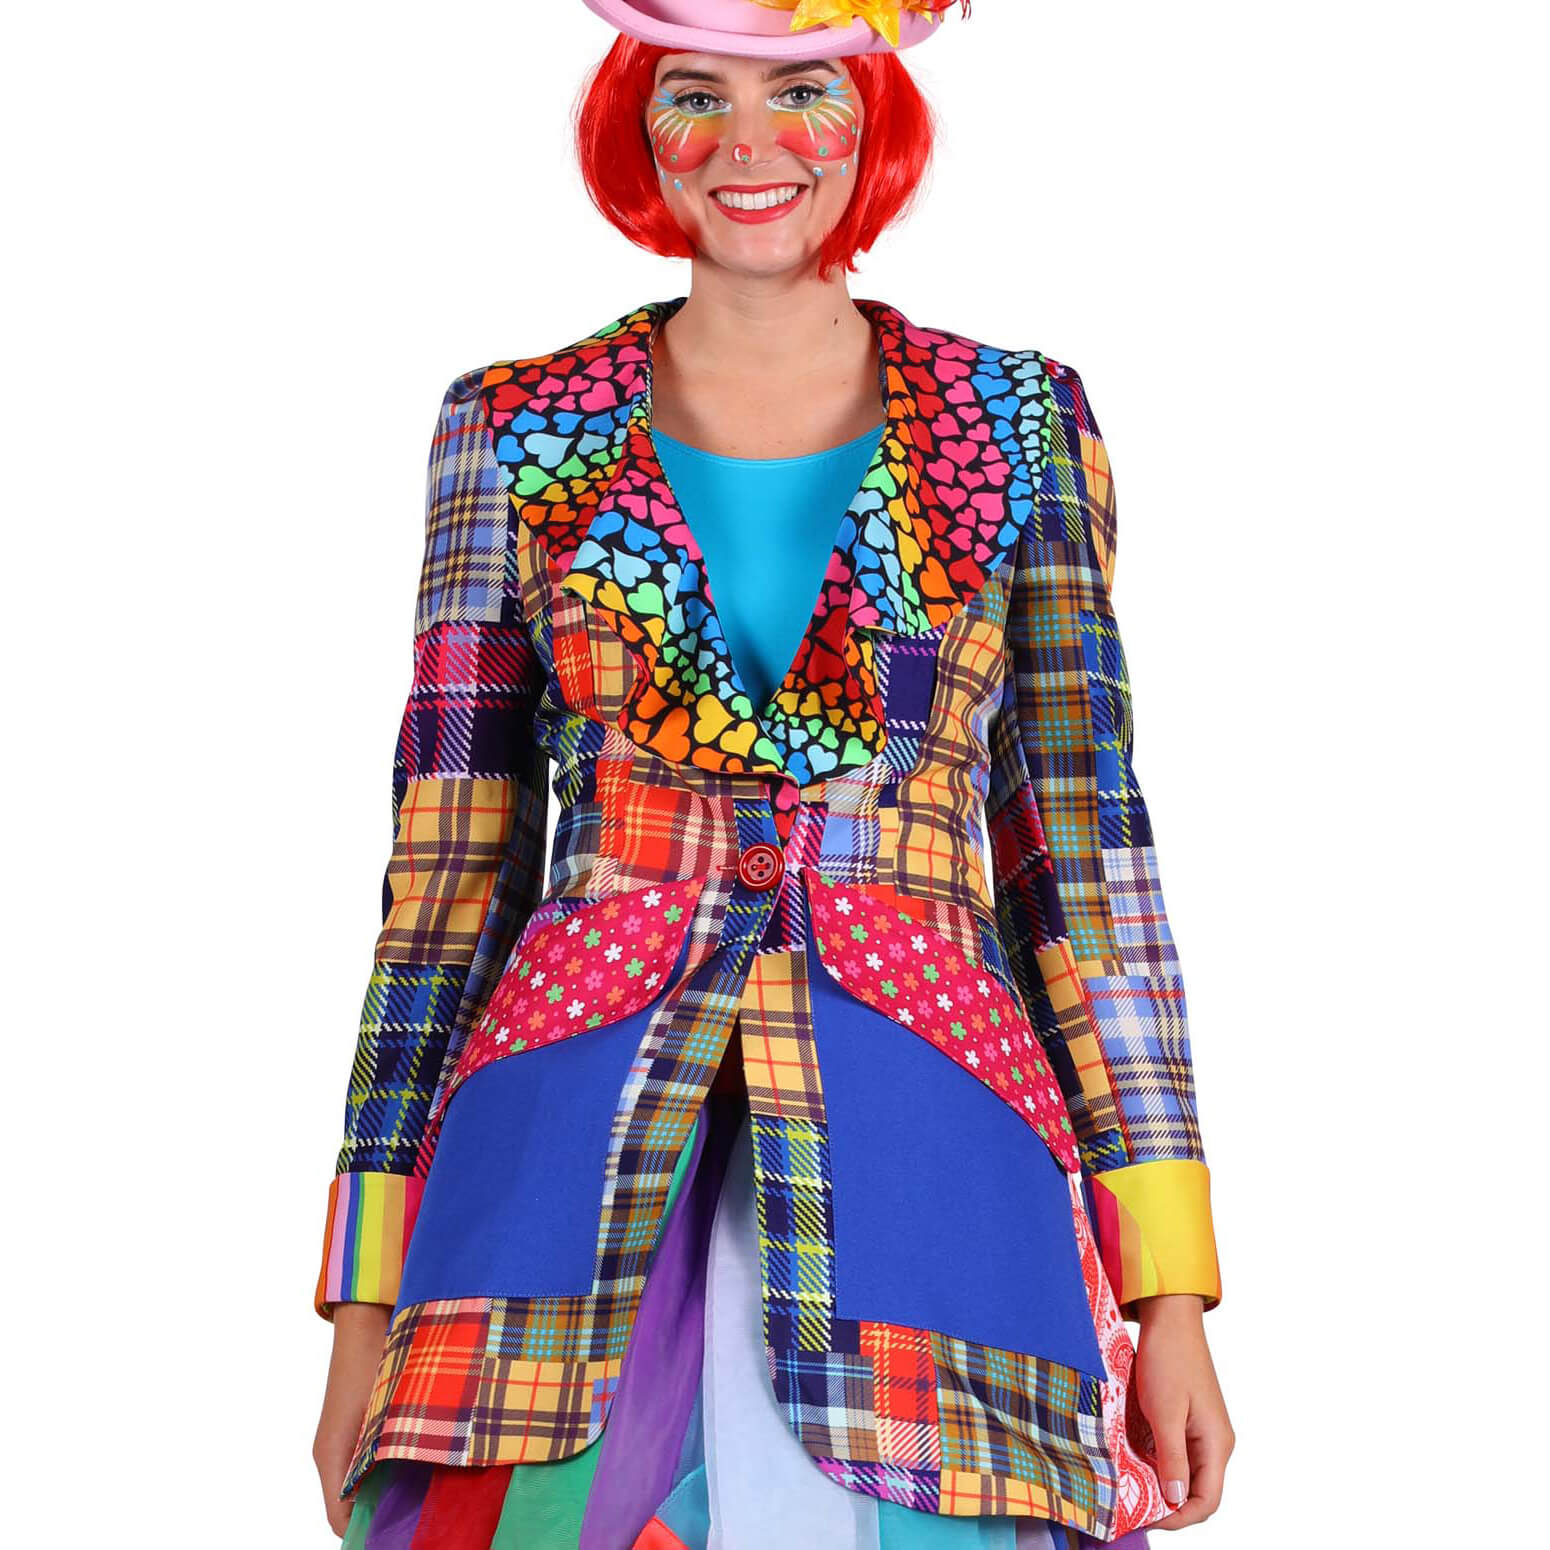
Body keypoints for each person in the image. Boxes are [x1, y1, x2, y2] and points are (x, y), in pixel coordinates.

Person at [311, 3, 1235, 1546]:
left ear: (872, 115)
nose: (749, 142)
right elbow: (445, 880)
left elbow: (1079, 862)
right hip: (558, 1158)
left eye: (800, 88)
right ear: (637, 122)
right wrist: (361, 1296)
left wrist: (1171, 1288)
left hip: (936, 1154)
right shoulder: (510, 428)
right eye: (695, 92)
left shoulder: (1017, 423)